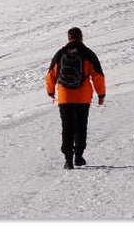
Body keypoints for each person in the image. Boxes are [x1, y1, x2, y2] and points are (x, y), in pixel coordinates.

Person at [45, 27, 106, 169]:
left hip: (65, 97)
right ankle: (78, 157)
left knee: (67, 127)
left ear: (69, 38)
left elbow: (50, 75)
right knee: (81, 126)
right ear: (81, 37)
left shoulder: (60, 54)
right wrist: (101, 94)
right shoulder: (88, 54)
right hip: (82, 98)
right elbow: (98, 76)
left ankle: (68, 160)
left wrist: (51, 92)